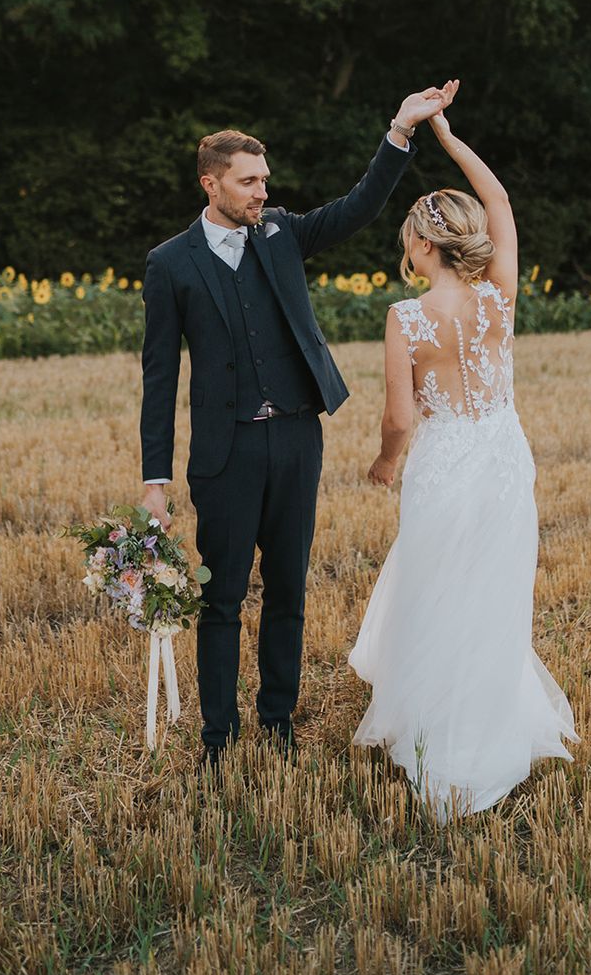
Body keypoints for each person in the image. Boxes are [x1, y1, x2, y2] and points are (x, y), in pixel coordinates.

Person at [140, 83, 458, 781]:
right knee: (221, 598)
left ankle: (277, 721)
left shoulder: (282, 232)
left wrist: (400, 131)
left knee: (288, 589)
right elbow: (159, 377)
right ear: (211, 182)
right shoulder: (170, 264)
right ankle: (218, 736)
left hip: (295, 442)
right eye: (248, 181)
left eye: (264, 181)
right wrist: (154, 480)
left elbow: (358, 207)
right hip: (224, 455)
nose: (261, 191)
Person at [348, 81, 580, 823]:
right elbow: (503, 204)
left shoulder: (405, 317)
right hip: (504, 459)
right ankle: (486, 735)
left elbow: (398, 416)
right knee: (494, 595)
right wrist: (447, 137)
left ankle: (434, 742)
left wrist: (387, 461)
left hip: (444, 464)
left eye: (405, 244)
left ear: (421, 245)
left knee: (434, 592)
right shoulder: (497, 297)